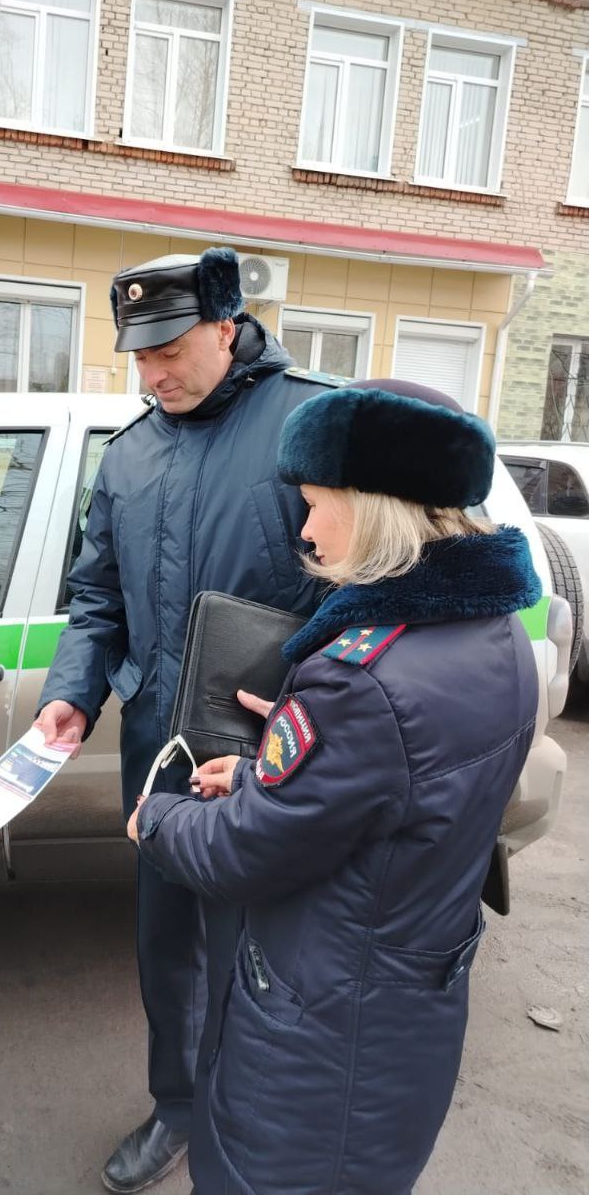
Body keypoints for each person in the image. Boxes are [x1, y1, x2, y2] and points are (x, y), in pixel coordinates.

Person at [128, 379, 542, 1195]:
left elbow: (249, 851)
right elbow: (394, 796)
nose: (308, 531)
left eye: (321, 503)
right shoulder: (495, 633)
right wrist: (263, 770)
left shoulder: (363, 678)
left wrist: (160, 818)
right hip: (404, 1007)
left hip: (321, 1035)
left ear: (383, 507)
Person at [34, 248, 339, 1193]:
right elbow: (95, 598)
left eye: (169, 347)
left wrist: (319, 714)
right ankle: (179, 1107)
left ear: (224, 322)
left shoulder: (313, 427)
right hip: (159, 749)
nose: (154, 372)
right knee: (169, 944)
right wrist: (74, 692)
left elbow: (370, 591)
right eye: (137, 355)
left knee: (273, 948)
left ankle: (267, 1115)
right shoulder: (130, 453)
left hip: (280, 751)